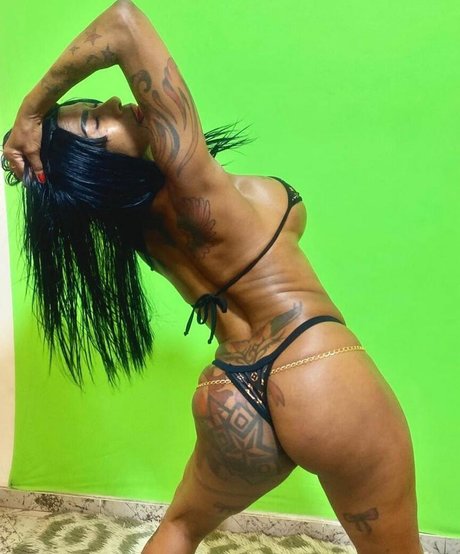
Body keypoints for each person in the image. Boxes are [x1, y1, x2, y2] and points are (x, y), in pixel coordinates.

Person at [2, 1, 423, 553]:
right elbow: (123, 22)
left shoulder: (135, 228)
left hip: (231, 393)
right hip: (318, 370)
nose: (111, 102)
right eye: (93, 122)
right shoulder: (192, 184)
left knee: (180, 528)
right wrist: (32, 111)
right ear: (94, 167)